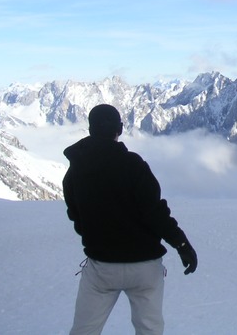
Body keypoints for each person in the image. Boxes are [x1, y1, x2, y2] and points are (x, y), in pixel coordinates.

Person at [63, 104, 197, 335]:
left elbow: (75, 214)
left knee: (84, 330)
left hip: (102, 266)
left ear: (89, 129)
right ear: (121, 129)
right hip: (145, 266)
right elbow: (155, 212)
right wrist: (181, 244)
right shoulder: (134, 165)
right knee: (150, 329)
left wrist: (96, 238)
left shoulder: (75, 170)